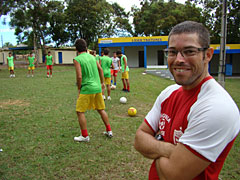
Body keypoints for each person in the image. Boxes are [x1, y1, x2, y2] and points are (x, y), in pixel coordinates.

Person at [134, 21, 240, 180]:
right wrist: (170, 150)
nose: (178, 59)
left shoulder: (217, 107)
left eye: (189, 51)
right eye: (172, 52)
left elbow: (173, 175)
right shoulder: (168, 93)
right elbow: (139, 139)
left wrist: (155, 142)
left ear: (208, 55)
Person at [73, 39, 113, 142]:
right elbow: (100, 69)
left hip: (87, 88)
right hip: (97, 88)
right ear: (86, 47)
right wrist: (102, 83)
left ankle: (85, 136)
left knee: (80, 111)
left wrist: (79, 88)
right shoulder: (93, 57)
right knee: (101, 109)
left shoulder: (77, 59)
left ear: (76, 49)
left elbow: (79, 76)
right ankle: (109, 131)